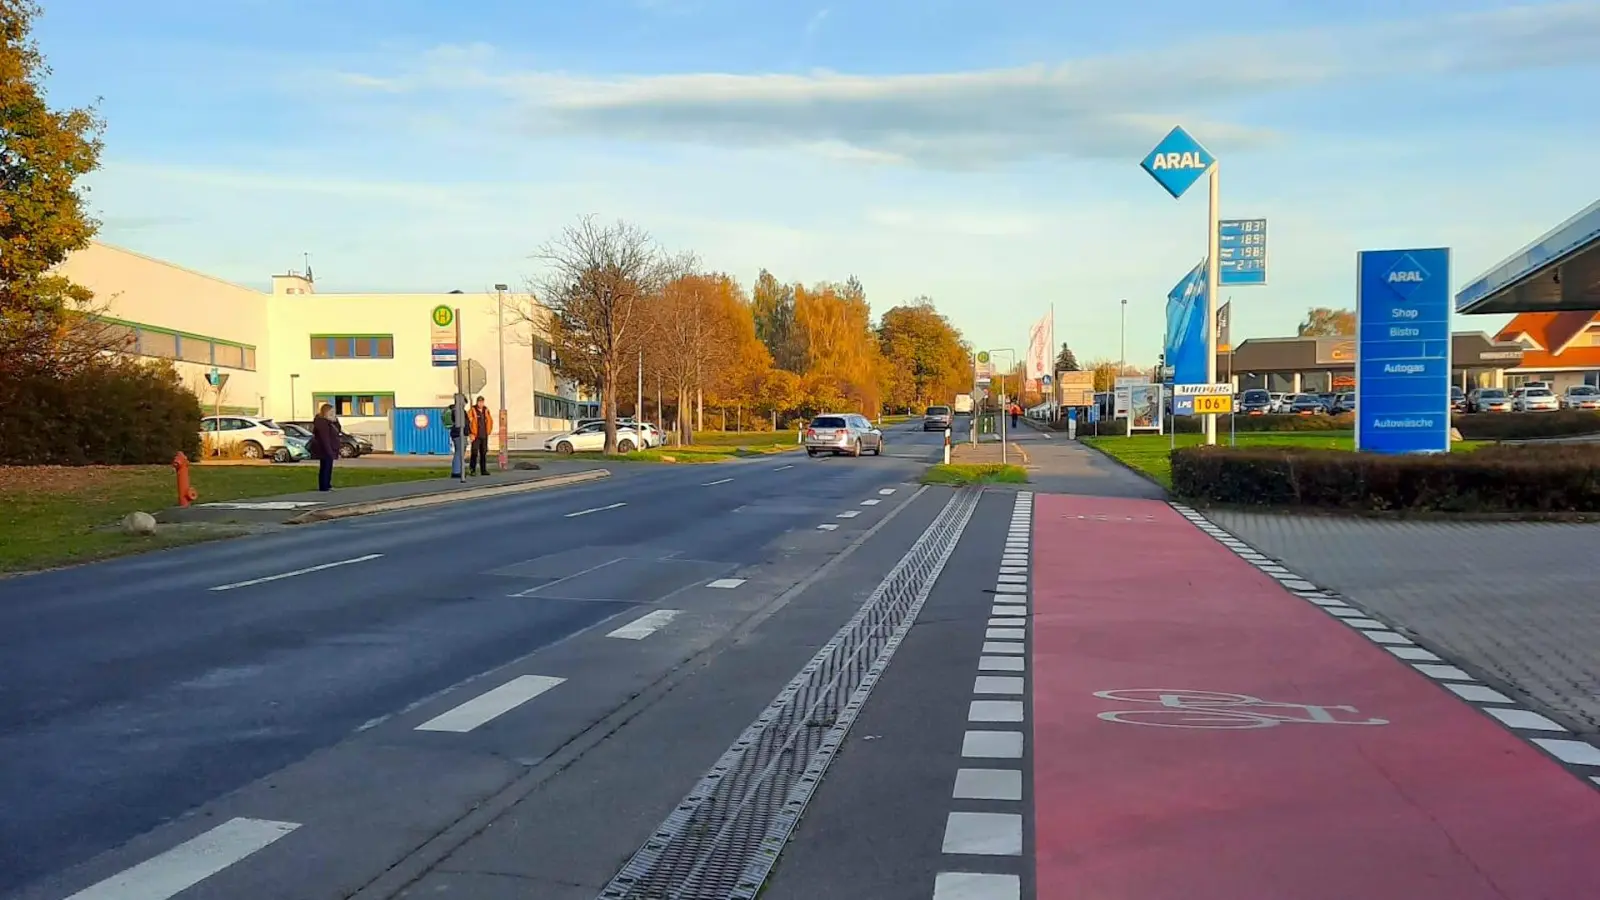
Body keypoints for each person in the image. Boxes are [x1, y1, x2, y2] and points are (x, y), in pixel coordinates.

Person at [310, 403, 341, 492]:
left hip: (329, 448)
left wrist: (335, 421)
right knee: (325, 467)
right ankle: (324, 486)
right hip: (324, 449)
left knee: (328, 467)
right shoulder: (322, 423)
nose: (333, 414)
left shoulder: (330, 422)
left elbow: (338, 430)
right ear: (325, 413)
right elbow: (325, 438)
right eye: (331, 413)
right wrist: (329, 451)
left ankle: (327, 484)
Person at [467, 395, 494, 476]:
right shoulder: (472, 410)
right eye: (479, 402)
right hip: (475, 435)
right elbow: (468, 423)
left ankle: (483, 470)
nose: (480, 403)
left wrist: (489, 431)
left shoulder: (486, 410)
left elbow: (490, 421)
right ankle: (472, 470)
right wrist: (470, 433)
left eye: (482, 402)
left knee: (483, 453)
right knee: (474, 453)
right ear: (477, 402)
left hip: (484, 435)